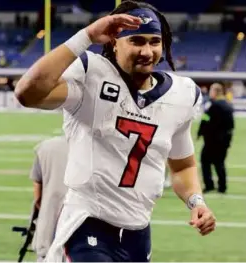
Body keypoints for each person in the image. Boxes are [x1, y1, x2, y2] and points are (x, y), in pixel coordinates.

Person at [15, 1, 216, 261]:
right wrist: (85, 36)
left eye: (154, 41)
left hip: (138, 231)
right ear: (114, 42)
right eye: (137, 41)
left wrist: (196, 202)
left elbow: (182, 167)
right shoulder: (92, 75)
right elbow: (28, 93)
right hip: (87, 221)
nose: (147, 51)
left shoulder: (181, 95)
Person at [30, 136, 68, 261]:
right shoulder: (98, 148)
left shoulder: (45, 147)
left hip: (49, 228)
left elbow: (38, 197)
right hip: (86, 237)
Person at [197, 82, 234, 194]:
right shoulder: (228, 105)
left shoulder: (213, 105)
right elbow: (231, 125)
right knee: (219, 162)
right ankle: (222, 186)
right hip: (224, 140)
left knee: (205, 161)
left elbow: (205, 119)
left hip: (213, 140)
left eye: (211, 91)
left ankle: (209, 185)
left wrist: (200, 132)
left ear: (215, 92)